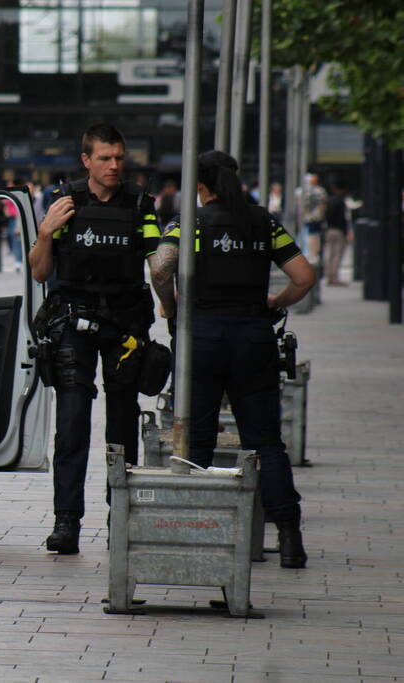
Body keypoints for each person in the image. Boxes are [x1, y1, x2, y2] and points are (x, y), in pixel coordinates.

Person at [148, 150, 314, 569]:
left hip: (201, 339)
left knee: (198, 441)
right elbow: (304, 277)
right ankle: (290, 538)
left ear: (201, 186)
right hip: (253, 339)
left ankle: (200, 533)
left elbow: (160, 270)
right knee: (265, 442)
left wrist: (170, 307)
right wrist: (275, 302)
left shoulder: (190, 223)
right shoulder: (263, 222)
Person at [28, 123, 160, 554]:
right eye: (105, 158)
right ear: (86, 160)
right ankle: (67, 522)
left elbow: (159, 261)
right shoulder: (65, 202)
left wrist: (171, 308)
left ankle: (119, 515)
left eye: (119, 157)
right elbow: (40, 272)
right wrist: (45, 232)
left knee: (121, 425)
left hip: (125, 324)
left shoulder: (140, 205)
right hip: (74, 322)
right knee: (71, 426)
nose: (114, 165)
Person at [324, 181, 350, 286]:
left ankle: (329, 276)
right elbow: (344, 219)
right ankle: (334, 278)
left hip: (329, 229)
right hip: (339, 230)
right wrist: (346, 232)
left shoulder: (329, 200)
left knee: (329, 253)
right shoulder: (341, 202)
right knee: (337, 255)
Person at [301, 173, 327, 260]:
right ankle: (315, 252)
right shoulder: (320, 190)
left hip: (310, 217)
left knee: (311, 234)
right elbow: (323, 204)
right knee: (316, 234)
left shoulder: (307, 191)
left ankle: (312, 253)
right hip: (318, 216)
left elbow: (305, 205)